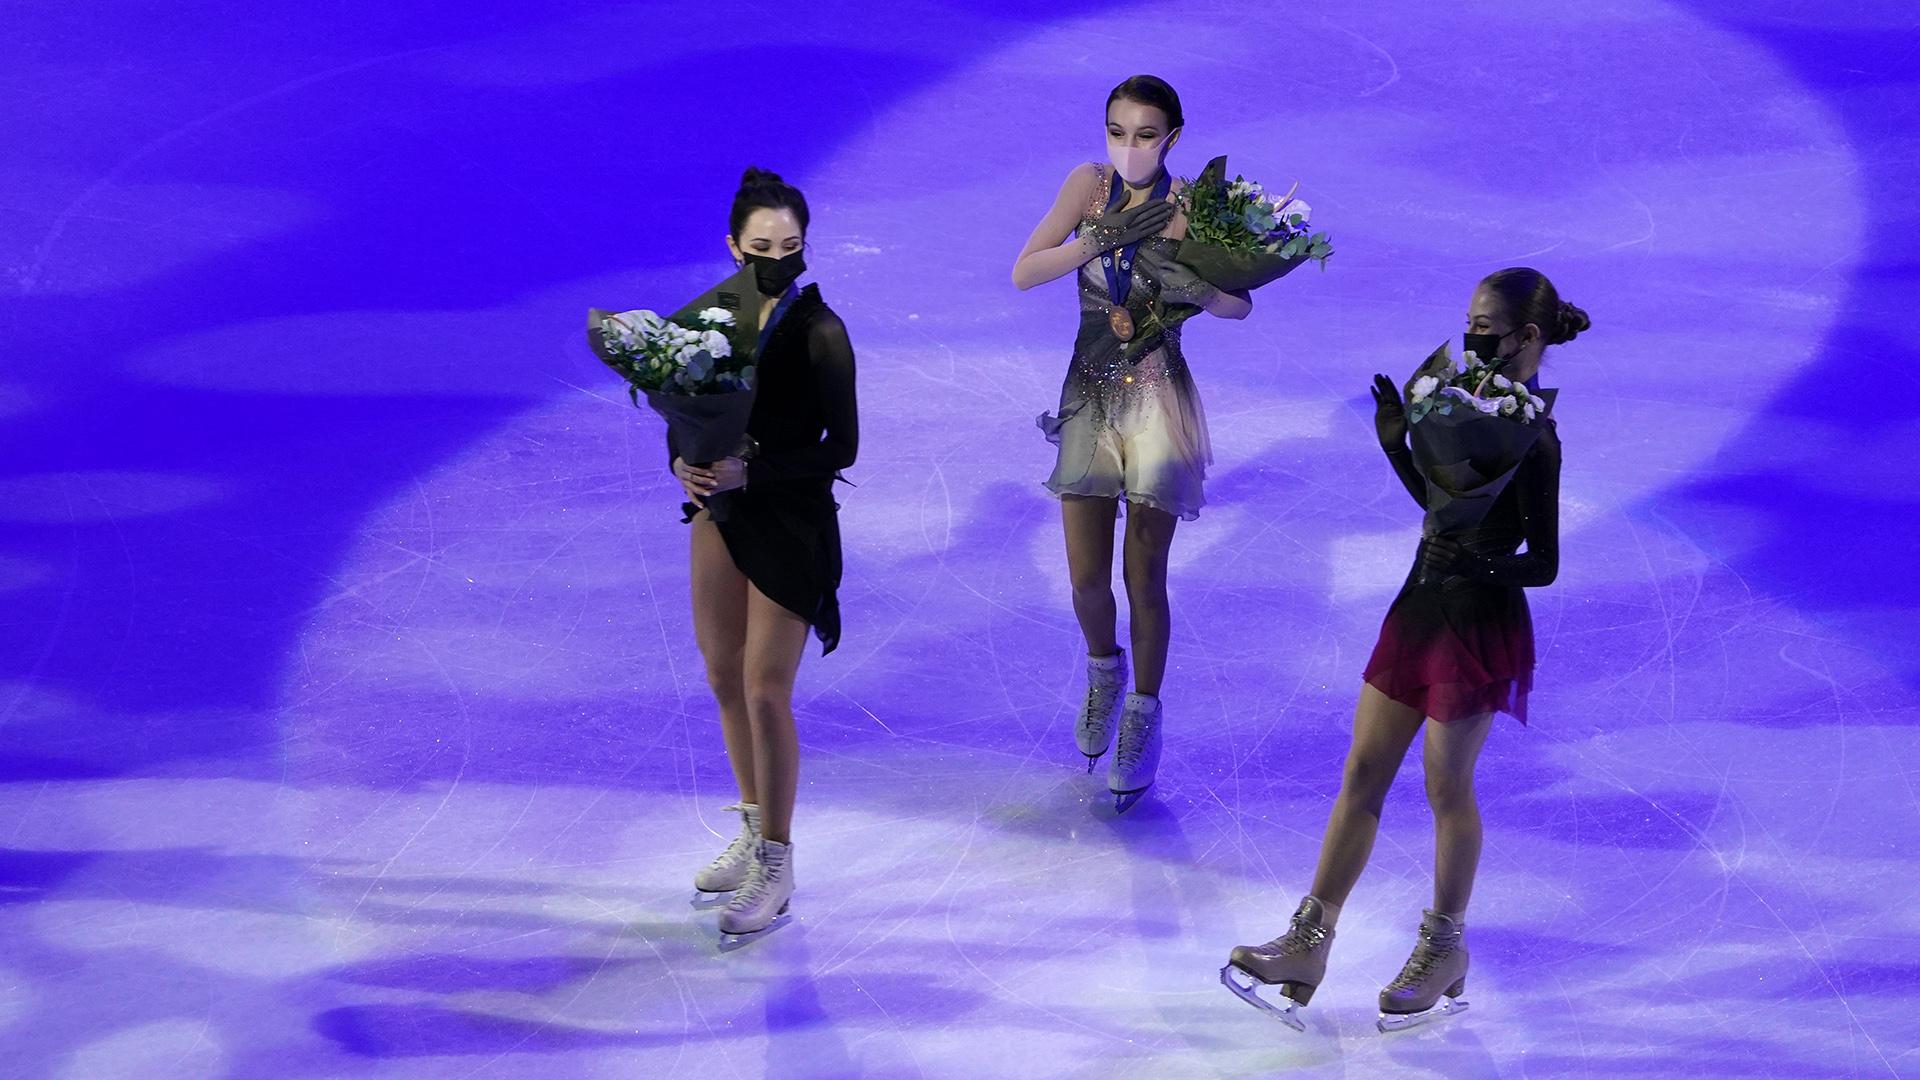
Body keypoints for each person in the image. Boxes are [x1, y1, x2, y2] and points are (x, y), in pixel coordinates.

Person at [1222, 268, 1587, 1030]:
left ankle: (1445, 948)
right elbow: (1447, 507)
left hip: (1479, 621)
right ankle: (1309, 942)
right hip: (1420, 601)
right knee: (1362, 771)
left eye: (1485, 327)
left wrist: (1480, 566)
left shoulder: (1538, 437)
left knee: (1445, 785)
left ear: (1527, 337)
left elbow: (1544, 562)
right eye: (1469, 323)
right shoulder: (1462, 402)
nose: (1471, 337)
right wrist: (1397, 446)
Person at [1011, 74, 1252, 811]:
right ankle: (1104, 670)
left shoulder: (1192, 205)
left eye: (1146, 134)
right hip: (1088, 391)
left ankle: (1144, 713)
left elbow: (1240, 306)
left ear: (1172, 137)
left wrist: (1197, 288)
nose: (1129, 146)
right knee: (1087, 581)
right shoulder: (1087, 186)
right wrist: (1097, 239)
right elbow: (1025, 272)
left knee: (1144, 578)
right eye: (1118, 131)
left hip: (1156, 399)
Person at [674, 167, 858, 940]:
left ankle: (777, 864)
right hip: (720, 514)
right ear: (733, 247)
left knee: (763, 690)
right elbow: (685, 412)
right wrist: (683, 463)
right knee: (723, 675)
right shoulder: (711, 321)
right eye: (762, 248)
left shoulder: (822, 333)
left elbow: (842, 447)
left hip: (789, 521)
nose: (777, 260)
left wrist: (754, 472)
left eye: (790, 247)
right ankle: (753, 832)